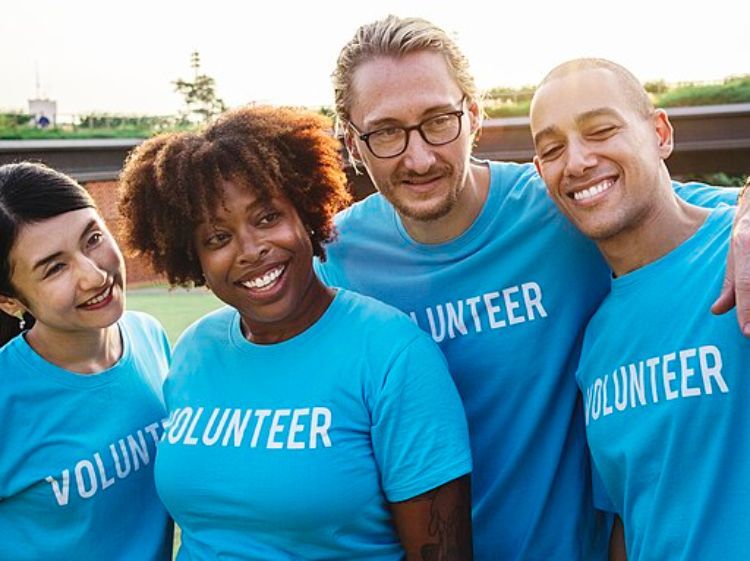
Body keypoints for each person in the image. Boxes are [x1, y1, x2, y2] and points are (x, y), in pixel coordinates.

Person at [316, 15, 741, 560]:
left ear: (473, 115)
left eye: (438, 120)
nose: (418, 156)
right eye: (386, 132)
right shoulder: (336, 258)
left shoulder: (560, 202)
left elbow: (677, 210)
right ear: (353, 142)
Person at [117, 105, 473, 561]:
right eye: (217, 238)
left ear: (306, 211)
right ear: (194, 260)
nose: (251, 250)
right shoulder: (193, 350)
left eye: (267, 217)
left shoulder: (393, 355)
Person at [529, 57, 750, 560]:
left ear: (660, 133)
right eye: (553, 149)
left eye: (601, 130)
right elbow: (634, 518)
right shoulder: (596, 343)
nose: (578, 160)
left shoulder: (739, 252)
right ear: (542, 172)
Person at [0, 162, 172, 560]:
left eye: (92, 238)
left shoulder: (150, 337)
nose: (94, 275)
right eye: (55, 267)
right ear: (9, 300)